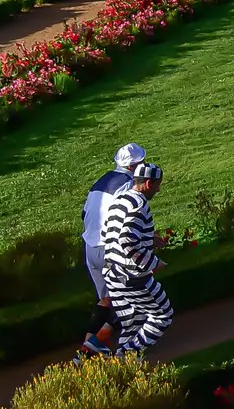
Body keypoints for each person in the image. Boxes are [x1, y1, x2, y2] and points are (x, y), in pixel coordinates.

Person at [77, 142, 145, 358]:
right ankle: (95, 345)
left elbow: (84, 213)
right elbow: (127, 221)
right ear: (134, 166)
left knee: (106, 300)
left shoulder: (100, 181)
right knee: (129, 302)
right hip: (111, 249)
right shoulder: (127, 186)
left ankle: (86, 349)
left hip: (90, 247)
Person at [97, 161, 172, 356]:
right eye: (157, 185)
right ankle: (123, 357)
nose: (158, 189)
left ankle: (126, 368)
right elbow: (127, 241)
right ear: (148, 184)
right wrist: (154, 263)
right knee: (163, 315)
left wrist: (149, 238)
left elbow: (108, 233)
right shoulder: (139, 204)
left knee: (132, 323)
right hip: (132, 277)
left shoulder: (120, 199)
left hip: (112, 273)